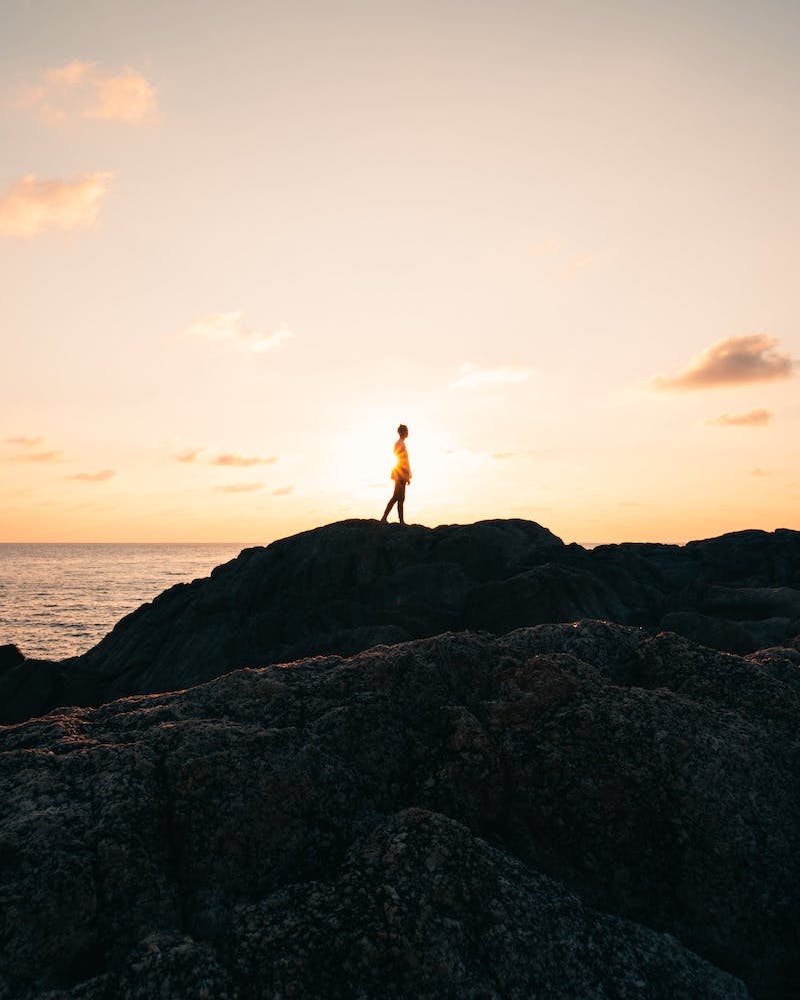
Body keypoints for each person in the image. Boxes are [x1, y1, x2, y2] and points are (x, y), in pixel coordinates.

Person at [380, 424, 411, 525]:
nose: (407, 433)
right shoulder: (399, 443)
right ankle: (387, 518)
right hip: (400, 474)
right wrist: (404, 475)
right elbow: (402, 459)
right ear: (402, 432)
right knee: (397, 497)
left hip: (401, 474)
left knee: (400, 498)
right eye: (406, 431)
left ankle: (399, 520)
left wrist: (407, 476)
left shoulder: (401, 443)